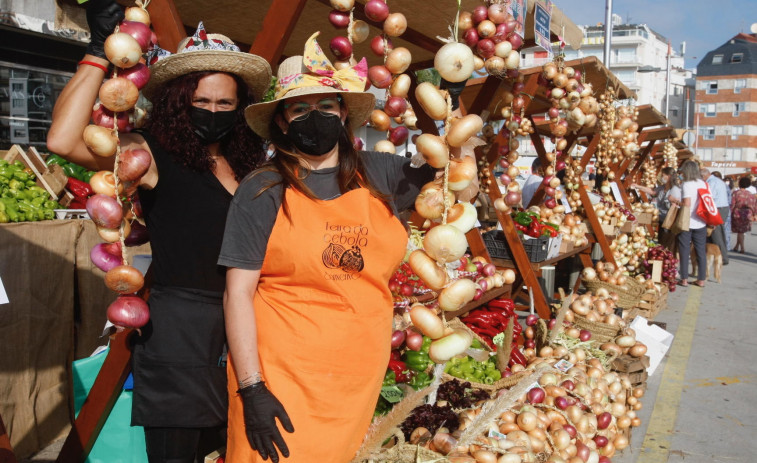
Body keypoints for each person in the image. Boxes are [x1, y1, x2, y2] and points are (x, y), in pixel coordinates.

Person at [46, 1, 272, 460]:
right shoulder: (151, 154)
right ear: (179, 102)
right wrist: (96, 53)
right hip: (181, 327)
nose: (213, 111)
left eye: (225, 103)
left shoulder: (252, 164)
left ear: (240, 107)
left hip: (253, 323)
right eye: (201, 102)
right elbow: (62, 140)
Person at [217, 33, 438, 463]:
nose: (313, 116)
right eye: (299, 108)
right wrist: (252, 387)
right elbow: (237, 292)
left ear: (342, 113)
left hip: (357, 376)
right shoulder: (262, 188)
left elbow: (455, 173)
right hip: (282, 376)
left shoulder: (383, 173)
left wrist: (447, 100)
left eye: (325, 106)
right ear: (282, 121)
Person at [676, 161, 708, 287]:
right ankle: (701, 279)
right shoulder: (703, 184)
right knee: (700, 251)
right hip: (701, 221)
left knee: (684, 250)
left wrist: (676, 202)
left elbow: (687, 204)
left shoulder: (686, 184)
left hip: (687, 222)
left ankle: (684, 278)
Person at [631, 167, 676, 248]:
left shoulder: (675, 189)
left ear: (669, 176)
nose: (661, 177)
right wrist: (638, 186)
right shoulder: (662, 188)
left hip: (670, 221)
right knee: (661, 241)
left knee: (667, 242)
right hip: (661, 219)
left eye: (663, 175)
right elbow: (652, 192)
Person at [701, 168, 730, 264]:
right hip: (721, 208)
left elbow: (709, 197)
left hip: (718, 209)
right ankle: (718, 255)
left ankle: (722, 257)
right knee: (717, 233)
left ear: (704, 176)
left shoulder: (712, 182)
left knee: (716, 234)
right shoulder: (717, 181)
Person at [731, 177, 757, 253]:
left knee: (740, 232)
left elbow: (732, 204)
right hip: (748, 213)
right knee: (742, 232)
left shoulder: (736, 193)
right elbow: (754, 205)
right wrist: (755, 214)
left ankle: (742, 248)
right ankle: (736, 246)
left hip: (738, 213)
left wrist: (730, 212)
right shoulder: (751, 195)